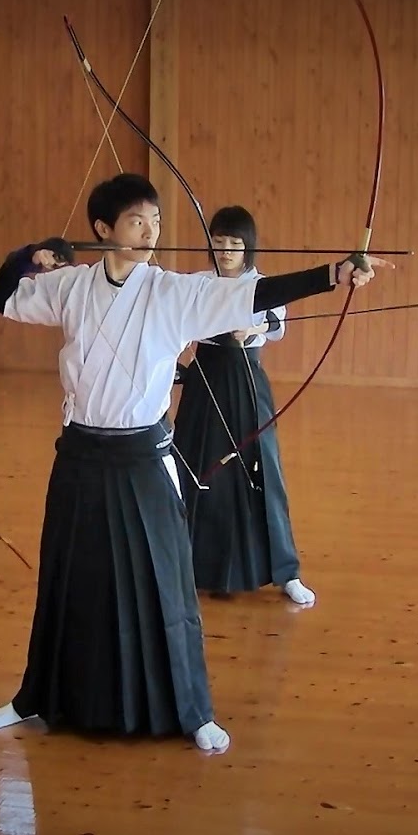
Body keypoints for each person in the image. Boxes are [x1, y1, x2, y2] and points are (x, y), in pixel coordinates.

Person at [0, 173, 388, 752]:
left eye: (156, 221)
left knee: (168, 584)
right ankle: (35, 697)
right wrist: (29, 255)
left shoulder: (173, 291)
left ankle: (193, 710)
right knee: (67, 578)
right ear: (103, 229)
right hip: (80, 454)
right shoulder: (68, 286)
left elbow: (254, 294)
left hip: (143, 455)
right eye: (137, 221)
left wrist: (332, 275)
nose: (151, 232)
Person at [172, 206, 314, 606]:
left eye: (235, 244)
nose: (227, 252)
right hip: (206, 379)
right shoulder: (199, 283)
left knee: (263, 467)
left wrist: (251, 327)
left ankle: (286, 571)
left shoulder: (261, 285)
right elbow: (177, 322)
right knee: (193, 467)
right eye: (219, 243)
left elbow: (278, 324)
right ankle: (183, 567)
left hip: (247, 379)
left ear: (248, 247)